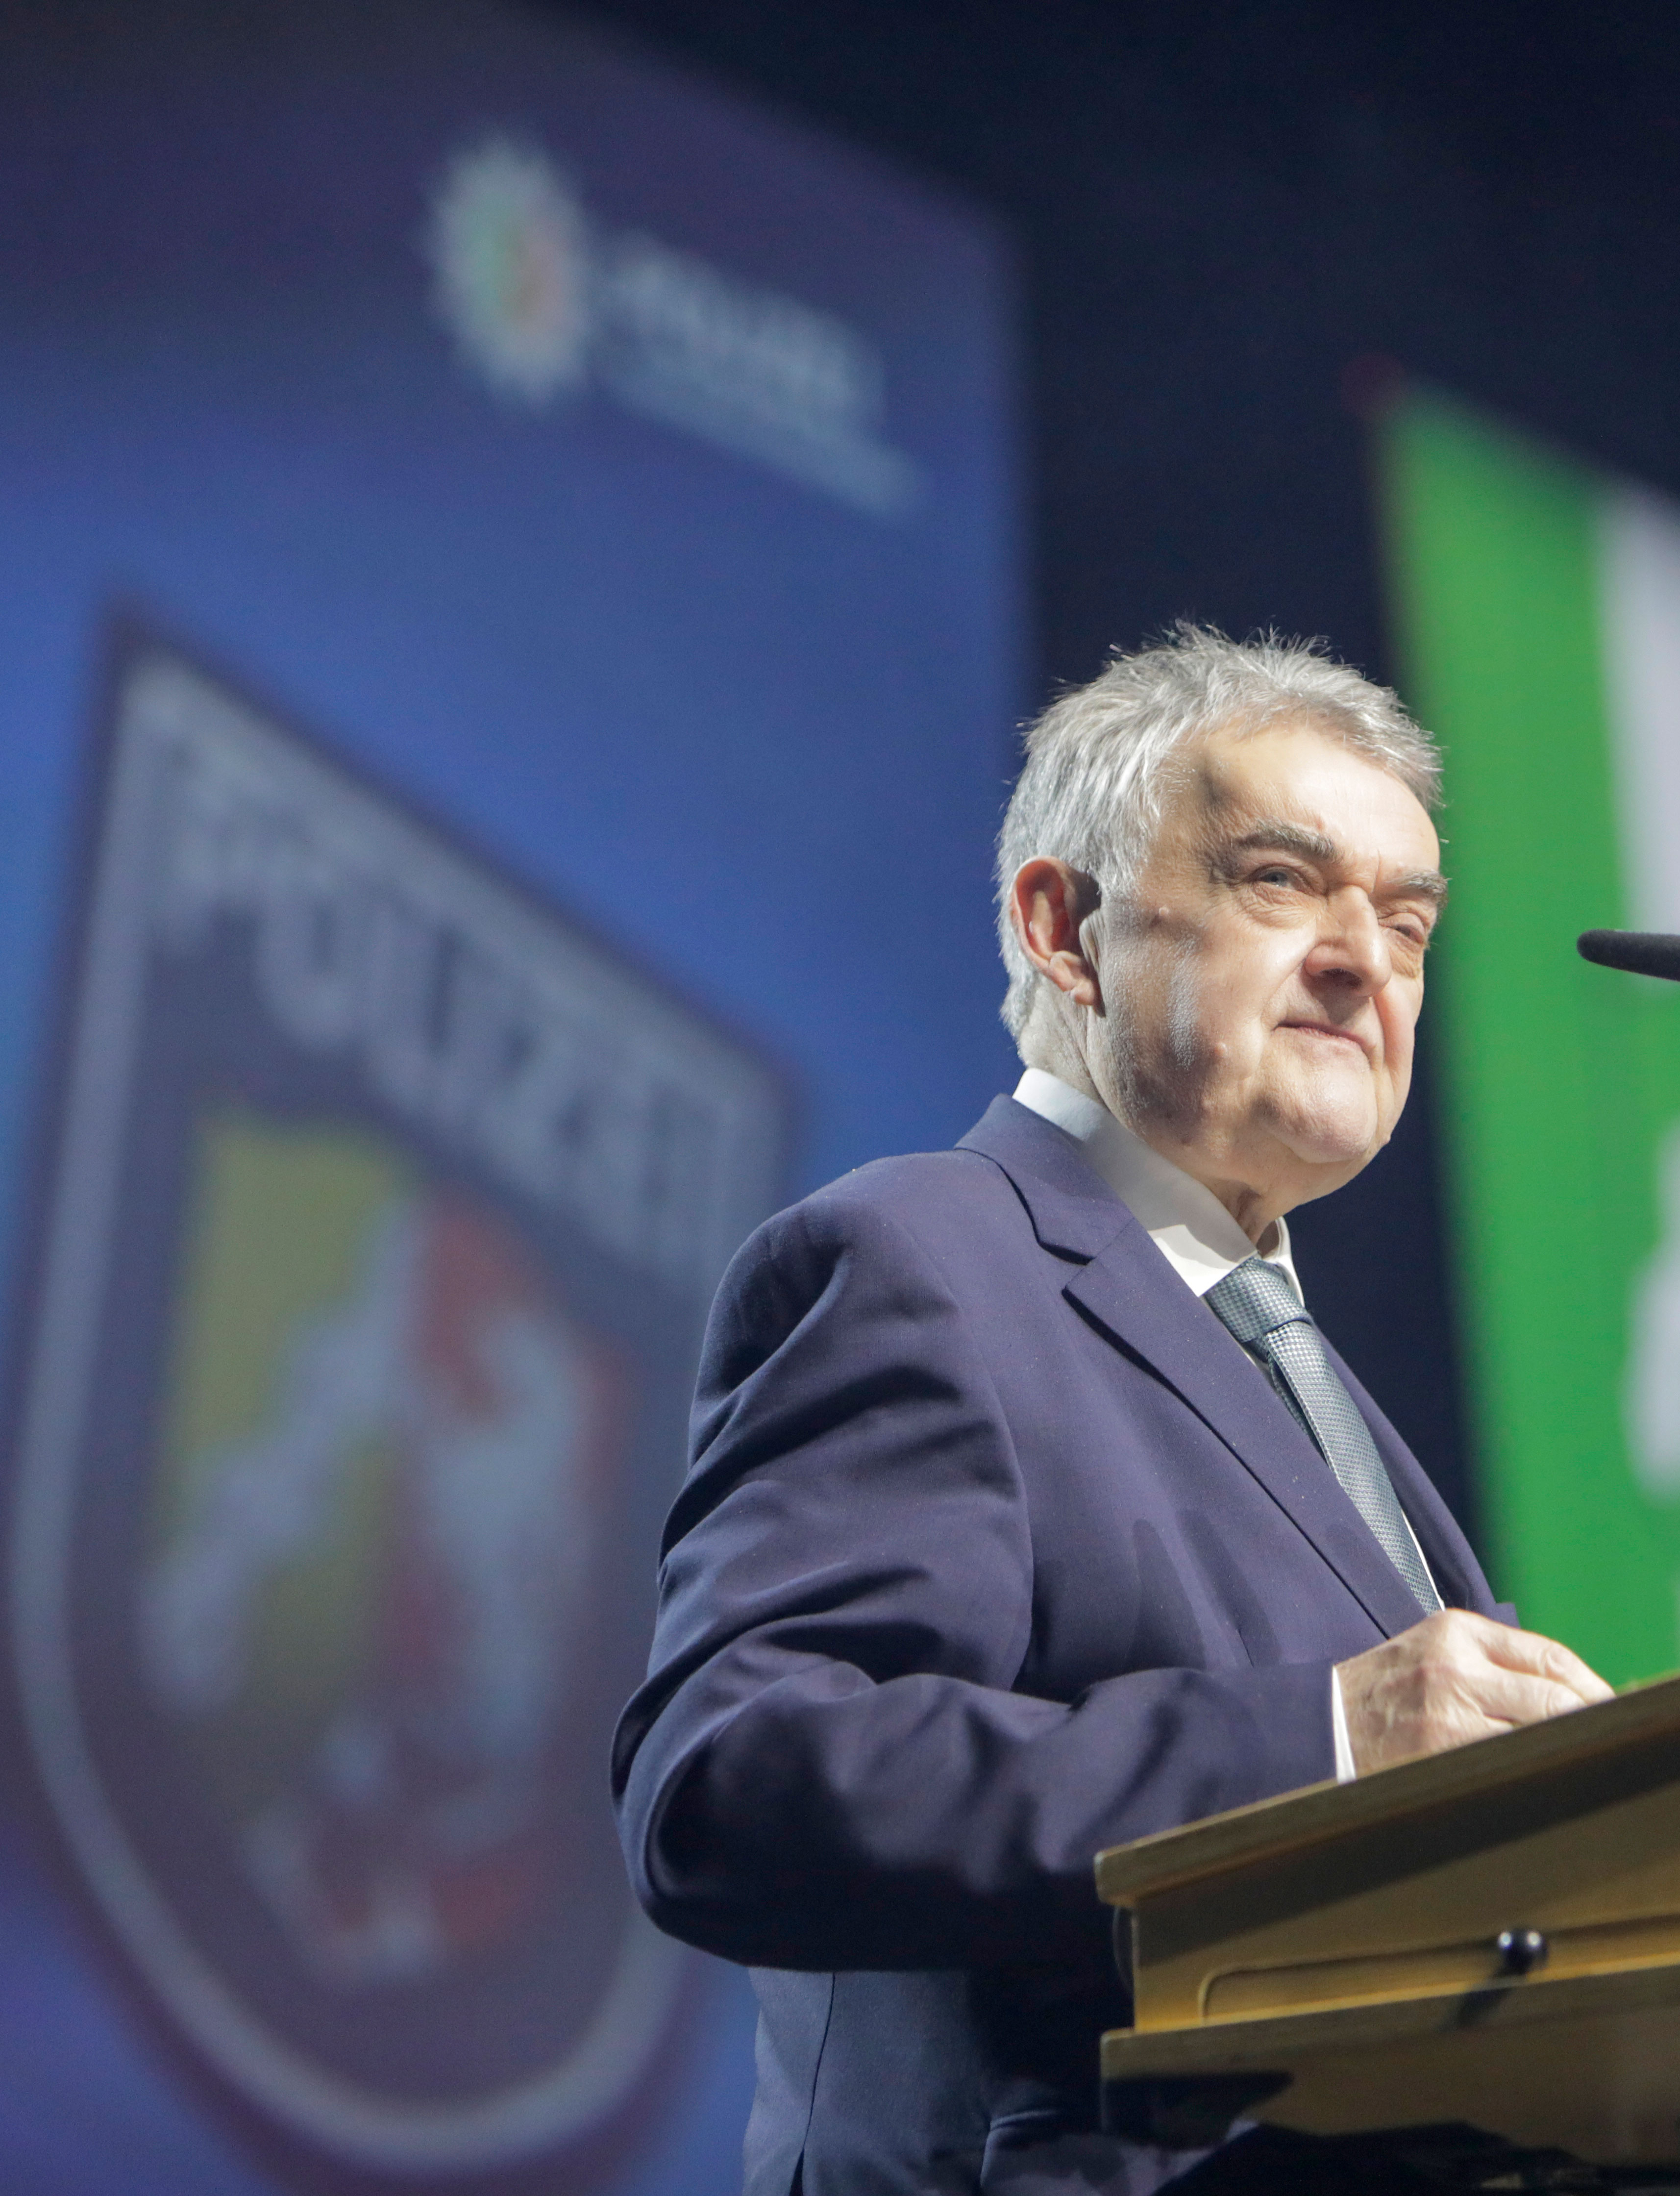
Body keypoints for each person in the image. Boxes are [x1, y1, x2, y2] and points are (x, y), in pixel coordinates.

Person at [613, 627, 1615, 2196]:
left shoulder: (1302, 1378)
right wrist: (1331, 1735)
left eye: (1409, 923)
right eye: (1284, 883)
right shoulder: (926, 1258)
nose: (1366, 960)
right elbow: (740, 1785)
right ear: (1062, 929)